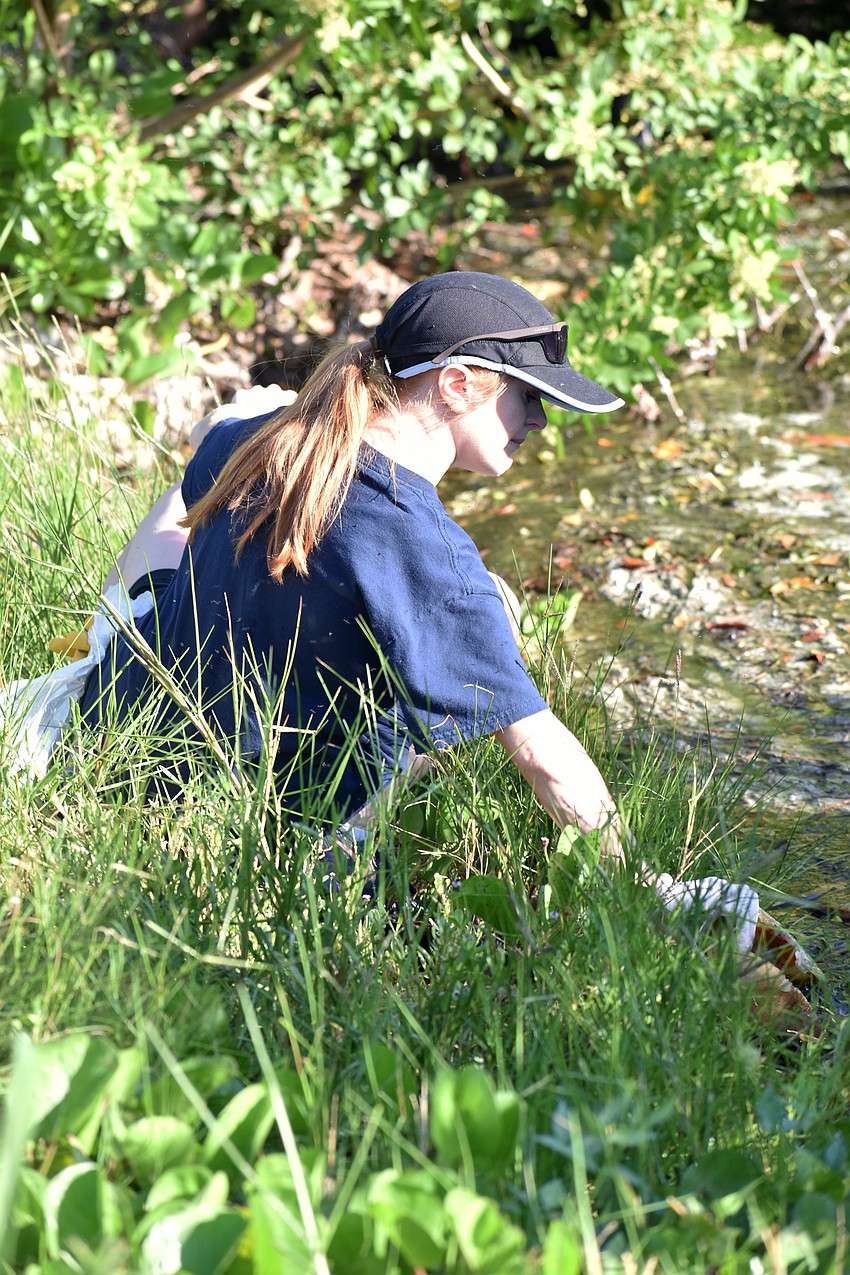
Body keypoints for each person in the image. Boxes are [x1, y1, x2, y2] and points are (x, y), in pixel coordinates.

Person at [78, 270, 759, 942]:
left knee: (179, 507)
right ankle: (332, 856)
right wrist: (647, 883)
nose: (540, 420)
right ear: (458, 383)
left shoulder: (264, 436)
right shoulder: (420, 544)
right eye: (526, 396)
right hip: (244, 835)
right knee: (462, 645)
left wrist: (236, 416)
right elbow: (542, 753)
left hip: (112, 742)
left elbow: (213, 431)